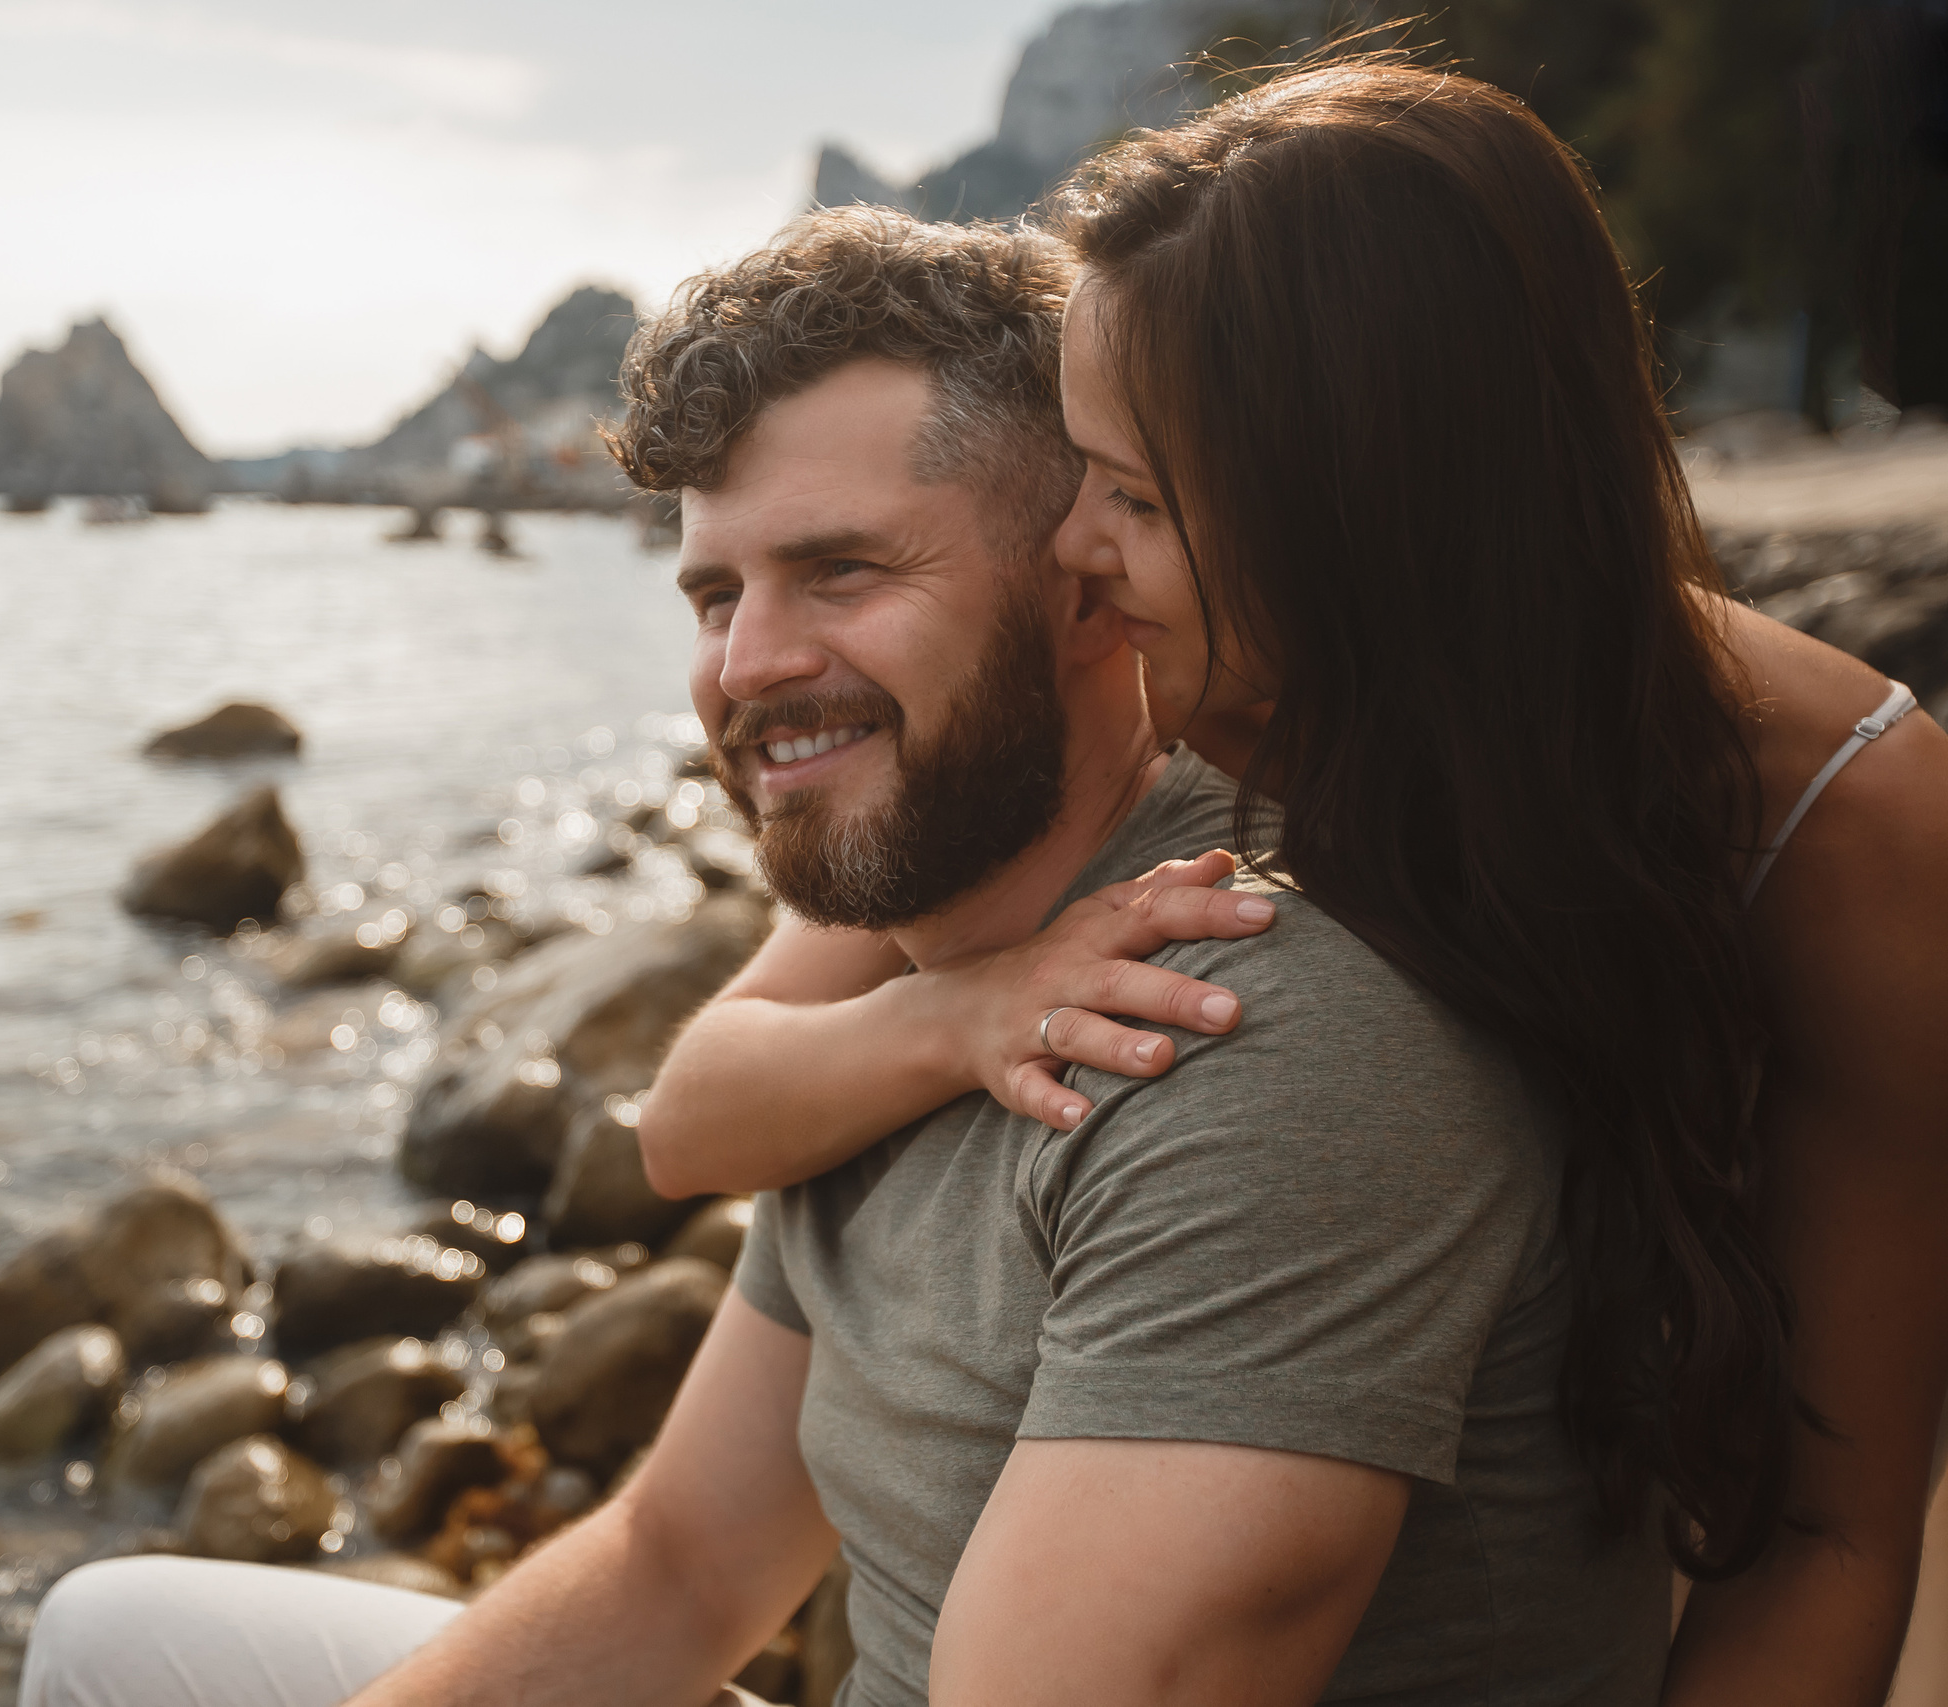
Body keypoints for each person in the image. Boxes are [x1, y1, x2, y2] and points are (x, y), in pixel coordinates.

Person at [21, 207, 1677, 1707]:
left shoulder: (1242, 1025)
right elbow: (682, 1566)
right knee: (110, 1640)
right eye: (711, 594)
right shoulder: (894, 979)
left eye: (843, 571)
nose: (745, 670)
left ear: (1092, 584)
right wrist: (943, 1014)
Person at [639, 56, 1948, 1707]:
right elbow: (692, 1117)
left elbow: (1831, 1532)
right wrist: (963, 1009)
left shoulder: (1840, 814)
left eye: (1124, 496)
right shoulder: (1195, 697)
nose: (1069, 559)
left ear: (1336, 512)